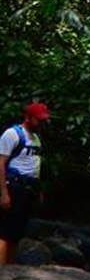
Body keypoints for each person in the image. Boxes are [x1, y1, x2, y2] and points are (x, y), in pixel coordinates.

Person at [0, 102, 51, 264]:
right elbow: (0, 163)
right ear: (28, 118)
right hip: (13, 187)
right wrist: (3, 193)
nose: (42, 123)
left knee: (16, 233)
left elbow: (34, 165)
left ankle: (10, 269)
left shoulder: (36, 138)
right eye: (39, 120)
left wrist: (39, 190)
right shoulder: (12, 134)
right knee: (4, 233)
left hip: (28, 190)